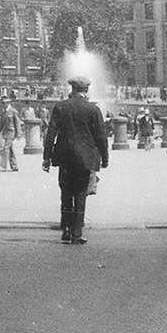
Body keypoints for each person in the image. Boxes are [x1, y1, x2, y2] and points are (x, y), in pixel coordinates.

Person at [42, 75, 110, 245]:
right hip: (85, 159)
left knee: (65, 193)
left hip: (64, 158)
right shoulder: (93, 109)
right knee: (80, 195)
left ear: (71, 89)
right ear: (86, 90)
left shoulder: (60, 107)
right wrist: (105, 158)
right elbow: (101, 137)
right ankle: (76, 233)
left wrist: (46, 157)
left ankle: (65, 229)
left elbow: (50, 134)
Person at [0, 93, 21, 171]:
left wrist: (18, 133)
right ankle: (14, 166)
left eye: (4, 103)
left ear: (8, 103)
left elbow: (17, 123)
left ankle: (3, 166)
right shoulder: (3, 112)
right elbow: (1, 124)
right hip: (6, 133)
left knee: (5, 148)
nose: (2, 104)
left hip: (11, 132)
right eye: (2, 103)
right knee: (10, 150)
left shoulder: (13, 111)